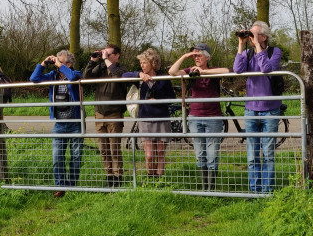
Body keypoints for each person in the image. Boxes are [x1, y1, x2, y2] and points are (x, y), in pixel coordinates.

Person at [169, 43, 230, 191]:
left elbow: (227, 71)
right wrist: (185, 56)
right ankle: (204, 188)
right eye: (194, 55)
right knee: (200, 154)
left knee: (212, 154)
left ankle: (212, 189)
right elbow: (172, 72)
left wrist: (203, 72)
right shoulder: (191, 71)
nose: (196, 58)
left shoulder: (213, 71)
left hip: (213, 118)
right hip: (195, 117)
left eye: (199, 55)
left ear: (207, 57)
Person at [232, 21, 282, 193]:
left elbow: (266, 68)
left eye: (253, 35)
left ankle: (267, 192)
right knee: (252, 155)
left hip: (270, 109)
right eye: (250, 34)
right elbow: (237, 69)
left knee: (268, 154)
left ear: (264, 37)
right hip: (251, 109)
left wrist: (259, 48)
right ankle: (255, 191)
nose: (250, 38)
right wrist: (241, 44)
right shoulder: (247, 53)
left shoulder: (275, 52)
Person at [30, 50, 83, 198]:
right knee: (57, 156)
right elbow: (34, 78)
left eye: (61, 61)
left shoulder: (76, 73)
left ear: (69, 64)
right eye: (56, 61)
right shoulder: (53, 76)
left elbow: (72, 77)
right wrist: (43, 63)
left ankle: (72, 187)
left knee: (76, 157)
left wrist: (60, 65)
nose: (57, 64)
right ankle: (60, 186)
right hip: (59, 123)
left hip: (75, 123)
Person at [122, 48, 176, 177]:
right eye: (141, 63)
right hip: (145, 119)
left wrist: (158, 101)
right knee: (149, 155)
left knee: (160, 153)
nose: (142, 65)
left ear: (153, 63)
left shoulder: (163, 78)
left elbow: (172, 98)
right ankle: (150, 177)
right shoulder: (140, 78)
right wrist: (139, 74)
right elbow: (123, 76)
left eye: (144, 62)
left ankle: (159, 180)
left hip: (162, 119)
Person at [83, 44, 127, 188]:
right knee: (103, 147)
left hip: (114, 113)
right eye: (104, 54)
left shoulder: (121, 69)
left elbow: (116, 75)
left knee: (114, 147)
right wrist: (92, 61)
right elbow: (85, 78)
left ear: (117, 55)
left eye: (109, 54)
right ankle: (108, 175)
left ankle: (118, 175)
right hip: (99, 113)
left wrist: (106, 60)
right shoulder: (100, 68)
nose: (105, 57)